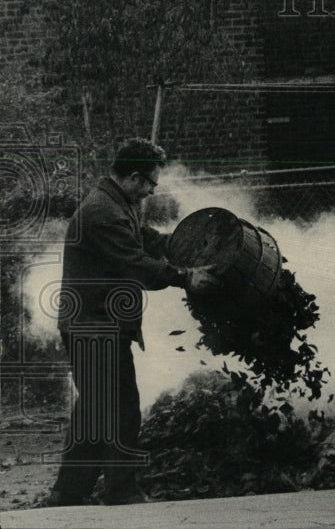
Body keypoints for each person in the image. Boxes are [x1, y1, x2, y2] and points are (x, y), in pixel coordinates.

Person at [44, 138, 219, 506]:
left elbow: (144, 238)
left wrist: (180, 244)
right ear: (135, 177)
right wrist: (186, 277)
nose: (152, 191)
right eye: (151, 184)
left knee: (94, 408)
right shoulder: (102, 212)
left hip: (98, 323)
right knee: (121, 407)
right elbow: (134, 263)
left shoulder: (117, 202)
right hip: (93, 326)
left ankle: (67, 493)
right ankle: (121, 492)